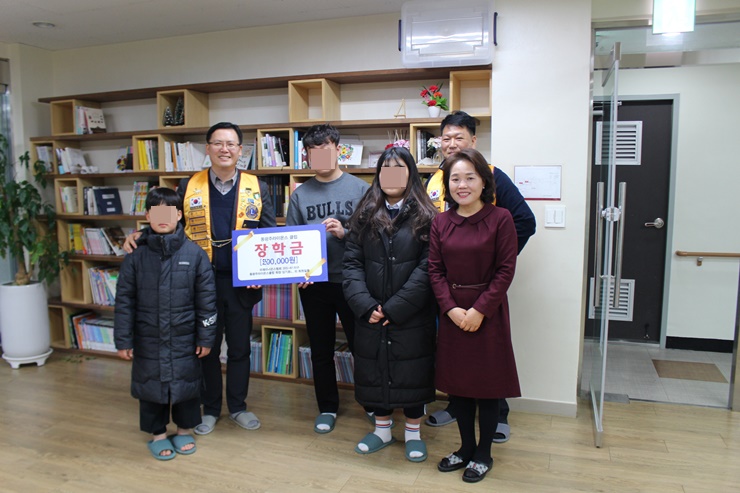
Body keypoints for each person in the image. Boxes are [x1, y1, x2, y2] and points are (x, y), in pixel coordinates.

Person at [123, 122, 276, 435]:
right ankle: (211, 408)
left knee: (240, 348)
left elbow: (269, 233)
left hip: (241, 283)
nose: (224, 149)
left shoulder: (257, 187)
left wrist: (262, 271)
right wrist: (140, 235)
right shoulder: (189, 185)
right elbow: (168, 222)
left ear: (240, 150)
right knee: (205, 347)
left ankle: (238, 406)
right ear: (208, 148)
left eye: (231, 144)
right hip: (199, 282)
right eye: (218, 143)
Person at [425, 111, 535, 443]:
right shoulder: (435, 180)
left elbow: (525, 221)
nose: (451, 144)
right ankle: (456, 407)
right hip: (448, 288)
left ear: (473, 140)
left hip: (485, 288)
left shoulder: (492, 175)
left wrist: (493, 256)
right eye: (446, 138)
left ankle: (498, 414)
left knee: (489, 357)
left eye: (459, 137)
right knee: (455, 355)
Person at [429, 148, 520, 482]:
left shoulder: (501, 219)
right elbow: (434, 271)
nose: (462, 185)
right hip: (452, 312)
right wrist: (451, 309)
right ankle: (465, 447)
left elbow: (506, 270)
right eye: (455, 179)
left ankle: (483, 453)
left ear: (483, 181)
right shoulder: (441, 222)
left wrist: (480, 310)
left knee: (487, 387)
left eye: (470, 177)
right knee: (460, 386)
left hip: (488, 312)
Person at [343, 146, 438, 462]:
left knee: (412, 370)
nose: (391, 176)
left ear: (411, 174)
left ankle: (413, 432)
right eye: (386, 169)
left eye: (399, 169)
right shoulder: (364, 213)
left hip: (411, 315)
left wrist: (396, 308)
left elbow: (428, 268)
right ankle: (382, 429)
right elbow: (351, 264)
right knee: (374, 369)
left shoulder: (428, 216)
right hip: (370, 313)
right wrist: (365, 305)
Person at [114, 187, 218, 460]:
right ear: (148, 216)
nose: (163, 218)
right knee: (150, 386)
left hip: (185, 336)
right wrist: (123, 340)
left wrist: (206, 337)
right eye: (156, 212)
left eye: (169, 212)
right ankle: (157, 434)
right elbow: (124, 300)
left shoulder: (195, 254)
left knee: (187, 384)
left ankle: (184, 430)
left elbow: (207, 301)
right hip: (147, 335)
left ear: (179, 215)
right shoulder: (135, 256)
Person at [285, 123, 370, 433]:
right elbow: (291, 239)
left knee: (363, 347)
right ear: (307, 156)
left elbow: (374, 236)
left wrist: (345, 233)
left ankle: (372, 402)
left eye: (326, 149)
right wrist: (299, 271)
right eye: (313, 151)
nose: (320, 155)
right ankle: (327, 407)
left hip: (352, 281)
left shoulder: (360, 189)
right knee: (321, 348)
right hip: (315, 284)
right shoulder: (300, 194)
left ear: (338, 150)